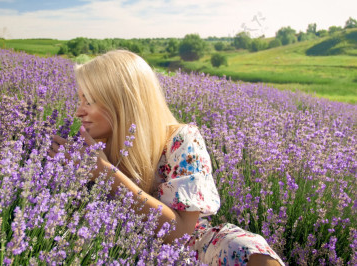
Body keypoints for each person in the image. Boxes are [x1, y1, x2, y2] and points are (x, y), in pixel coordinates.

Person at [49, 50, 284, 266]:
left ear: (122, 102)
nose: (79, 111)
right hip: (113, 247)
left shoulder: (181, 140)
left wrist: (106, 173)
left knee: (245, 249)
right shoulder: (86, 147)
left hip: (185, 249)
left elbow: (181, 232)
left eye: (89, 101)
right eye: (80, 100)